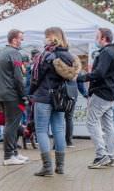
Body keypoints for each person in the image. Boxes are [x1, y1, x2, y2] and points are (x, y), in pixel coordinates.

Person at [29, 27, 81, 176]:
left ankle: (47, 167)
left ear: (50, 37)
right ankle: (60, 166)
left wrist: (30, 92)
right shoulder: (70, 57)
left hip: (44, 97)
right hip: (60, 99)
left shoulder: (45, 55)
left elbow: (35, 78)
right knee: (58, 129)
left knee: (41, 131)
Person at [77, 28, 114, 169]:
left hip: (101, 93)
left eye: (97, 37)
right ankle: (112, 155)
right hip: (110, 94)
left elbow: (99, 73)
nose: (96, 40)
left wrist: (82, 77)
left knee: (91, 122)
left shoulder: (106, 52)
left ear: (103, 38)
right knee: (108, 126)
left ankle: (101, 155)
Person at [0, 29, 29, 166]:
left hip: (3, 94)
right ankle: (9, 155)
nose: (22, 41)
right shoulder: (14, 53)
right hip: (12, 94)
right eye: (21, 39)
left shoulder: (1, 53)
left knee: (12, 124)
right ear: (14, 40)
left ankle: (14, 152)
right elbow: (18, 77)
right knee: (11, 125)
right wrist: (23, 96)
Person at [65, 77, 88, 148]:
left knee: (58, 119)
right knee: (69, 118)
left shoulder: (59, 66)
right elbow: (80, 83)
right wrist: (85, 94)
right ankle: (69, 142)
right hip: (72, 94)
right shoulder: (76, 67)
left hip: (59, 94)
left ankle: (57, 143)